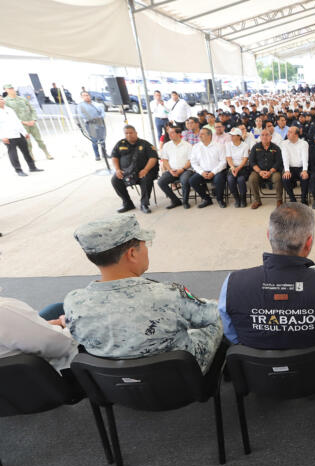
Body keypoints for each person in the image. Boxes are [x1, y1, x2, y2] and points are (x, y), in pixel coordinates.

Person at [64, 214, 224, 374]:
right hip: (180, 378)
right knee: (219, 317)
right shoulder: (167, 294)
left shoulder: (73, 303)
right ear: (132, 253)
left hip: (117, 385)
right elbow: (214, 315)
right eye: (145, 244)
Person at [219, 203, 315, 349]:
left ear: (269, 235)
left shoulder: (232, 284)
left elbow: (233, 336)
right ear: (309, 242)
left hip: (255, 370)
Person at [0, 297, 78, 372]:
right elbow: (62, 345)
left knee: (55, 308)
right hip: (41, 374)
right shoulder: (4, 310)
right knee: (67, 311)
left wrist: (46, 325)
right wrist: (69, 325)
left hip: (9, 379)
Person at [110, 125, 158, 214]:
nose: (129, 135)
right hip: (126, 172)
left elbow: (153, 158)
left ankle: (144, 204)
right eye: (126, 133)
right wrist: (117, 170)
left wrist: (146, 170)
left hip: (142, 172)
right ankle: (127, 204)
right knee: (115, 180)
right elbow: (114, 157)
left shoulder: (145, 144)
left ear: (136, 133)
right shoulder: (120, 144)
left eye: (131, 133)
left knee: (147, 178)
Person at [3, 84, 53, 160]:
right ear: (5, 90)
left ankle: (47, 154)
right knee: (27, 142)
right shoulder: (5, 101)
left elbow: (32, 109)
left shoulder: (22, 99)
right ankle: (31, 157)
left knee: (39, 140)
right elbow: (9, 116)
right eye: (9, 88)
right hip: (21, 125)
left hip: (31, 122)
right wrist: (23, 122)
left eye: (12, 88)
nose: (12, 89)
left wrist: (33, 119)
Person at [0, 96, 43, 176]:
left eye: (2, 99)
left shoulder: (9, 109)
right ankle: (18, 170)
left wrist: (24, 132)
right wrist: (2, 137)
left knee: (26, 151)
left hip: (19, 134)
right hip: (8, 136)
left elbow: (17, 121)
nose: (1, 100)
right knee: (13, 153)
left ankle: (32, 167)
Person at [189, 127, 227, 208]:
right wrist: (201, 172)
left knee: (219, 180)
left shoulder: (219, 146)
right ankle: (206, 199)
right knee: (192, 180)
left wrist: (213, 172)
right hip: (203, 172)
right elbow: (193, 162)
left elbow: (223, 162)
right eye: (199, 134)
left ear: (210, 136)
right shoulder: (196, 147)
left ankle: (220, 199)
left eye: (202, 134)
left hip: (217, 171)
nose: (200, 135)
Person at [157, 125, 193, 209]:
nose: (169, 134)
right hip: (172, 170)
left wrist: (182, 169)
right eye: (169, 133)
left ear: (179, 134)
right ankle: (175, 200)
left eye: (172, 132)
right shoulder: (166, 145)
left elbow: (190, 160)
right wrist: (170, 170)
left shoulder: (187, 145)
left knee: (185, 180)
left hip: (186, 170)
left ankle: (185, 201)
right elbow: (164, 159)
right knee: (161, 182)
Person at [247, 129, 283, 209]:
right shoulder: (255, 147)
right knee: (252, 178)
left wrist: (270, 172)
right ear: (260, 137)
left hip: (273, 171)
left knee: (278, 178)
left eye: (267, 135)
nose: (264, 137)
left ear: (271, 137)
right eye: (262, 135)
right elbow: (252, 162)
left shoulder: (276, 148)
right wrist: (260, 172)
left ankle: (279, 200)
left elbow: (278, 162)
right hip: (259, 171)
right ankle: (257, 201)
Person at [281, 126, 310, 204]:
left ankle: (304, 199)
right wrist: (287, 170)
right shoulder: (284, 143)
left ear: (296, 135)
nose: (288, 134)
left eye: (290, 132)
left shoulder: (304, 143)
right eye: (288, 132)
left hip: (301, 167)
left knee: (305, 177)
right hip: (290, 168)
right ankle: (292, 199)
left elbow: (305, 158)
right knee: (285, 178)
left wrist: (304, 170)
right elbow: (285, 158)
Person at [77, 91, 108, 161]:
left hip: (100, 123)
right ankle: (97, 155)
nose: (86, 96)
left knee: (102, 140)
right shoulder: (80, 106)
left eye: (87, 95)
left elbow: (102, 113)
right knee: (94, 141)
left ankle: (104, 154)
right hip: (90, 124)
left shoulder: (96, 104)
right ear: (82, 97)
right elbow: (83, 115)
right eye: (84, 95)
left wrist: (100, 118)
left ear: (90, 96)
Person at [226, 127, 250, 208]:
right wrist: (233, 168)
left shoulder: (245, 146)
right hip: (232, 167)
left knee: (241, 180)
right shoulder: (228, 145)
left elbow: (245, 159)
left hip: (243, 167)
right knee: (230, 179)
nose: (231, 137)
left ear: (239, 136)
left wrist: (238, 168)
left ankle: (243, 199)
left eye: (233, 135)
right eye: (231, 135)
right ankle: (237, 199)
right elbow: (228, 158)